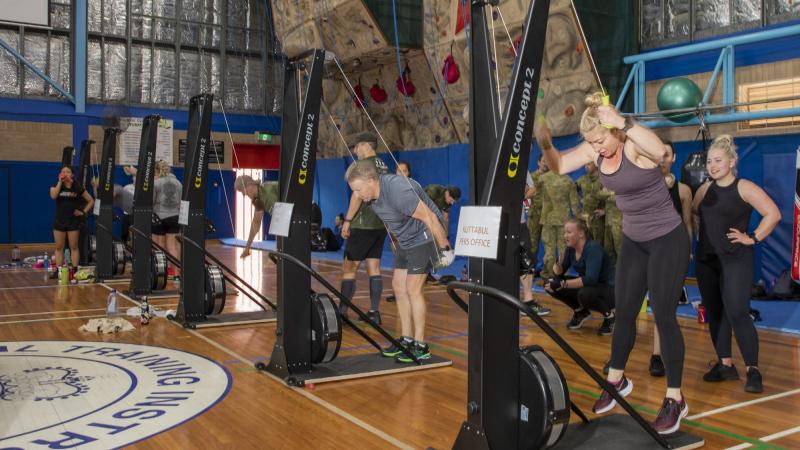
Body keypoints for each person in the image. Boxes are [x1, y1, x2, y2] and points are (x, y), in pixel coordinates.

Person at [536, 92, 690, 435]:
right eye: (591, 142)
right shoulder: (597, 146)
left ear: (614, 130)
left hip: (668, 239)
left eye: (600, 139)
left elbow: (662, 152)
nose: (597, 147)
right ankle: (616, 380)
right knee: (624, 309)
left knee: (663, 315)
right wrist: (546, 143)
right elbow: (560, 164)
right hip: (635, 241)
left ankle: (675, 398)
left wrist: (623, 122)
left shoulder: (632, 143)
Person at [693, 135, 780, 394]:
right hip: (707, 261)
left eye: (718, 160)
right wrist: (700, 235)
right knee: (715, 313)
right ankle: (725, 365)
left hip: (736, 260)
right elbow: (695, 213)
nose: (712, 165)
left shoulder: (744, 187)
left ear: (732, 161)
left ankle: (753, 370)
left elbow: (773, 214)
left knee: (737, 312)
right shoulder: (704, 190)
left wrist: (752, 238)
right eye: (709, 161)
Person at [345, 161, 452, 362]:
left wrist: (445, 247)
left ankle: (420, 345)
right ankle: (406, 339)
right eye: (354, 191)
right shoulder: (371, 196)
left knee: (413, 288)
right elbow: (391, 218)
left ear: (371, 181)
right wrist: (396, 239)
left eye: (358, 189)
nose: (357, 195)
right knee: (398, 286)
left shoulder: (397, 190)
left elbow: (429, 217)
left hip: (425, 235)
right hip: (406, 240)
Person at [649, 140, 694, 377]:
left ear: (674, 158)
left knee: (667, 307)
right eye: (660, 155)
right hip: (651, 252)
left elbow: (687, 223)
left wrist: (687, 250)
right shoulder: (645, 186)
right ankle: (655, 355)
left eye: (667, 155)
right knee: (656, 305)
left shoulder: (684, 191)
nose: (663, 159)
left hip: (674, 253)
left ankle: (662, 354)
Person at [340, 132, 389, 324]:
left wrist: (347, 220)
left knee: (349, 268)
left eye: (357, 146)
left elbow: (357, 195)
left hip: (362, 224)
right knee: (374, 267)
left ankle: (342, 312)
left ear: (367, 145)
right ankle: (374, 312)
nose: (354, 150)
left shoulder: (362, 165)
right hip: (379, 224)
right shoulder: (383, 165)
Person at [544, 219, 615, 335]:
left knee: (584, 294)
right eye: (564, 232)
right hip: (592, 287)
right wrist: (557, 267)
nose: (565, 235)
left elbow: (590, 279)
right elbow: (559, 275)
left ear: (581, 234)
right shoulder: (570, 249)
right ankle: (580, 311)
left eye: (569, 232)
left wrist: (562, 284)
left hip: (610, 290)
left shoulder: (593, 248)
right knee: (549, 284)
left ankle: (610, 316)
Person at [538, 164, 579, 279]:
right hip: (564, 222)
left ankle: (547, 277)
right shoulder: (569, 181)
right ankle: (562, 277)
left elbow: (536, 197)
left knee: (549, 251)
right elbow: (575, 205)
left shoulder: (543, 178)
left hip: (547, 220)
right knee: (563, 252)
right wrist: (579, 218)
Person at [50, 166, 94, 270]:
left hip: (73, 221)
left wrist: (83, 212)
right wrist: (60, 182)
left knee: (73, 246)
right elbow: (53, 196)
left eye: (68, 171)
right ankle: (59, 271)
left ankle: (74, 270)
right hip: (59, 220)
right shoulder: (55, 185)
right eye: (63, 171)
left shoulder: (77, 187)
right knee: (59, 247)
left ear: (72, 175)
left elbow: (91, 201)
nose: (65, 173)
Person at [520, 171, 551, 316]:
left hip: (519, 223)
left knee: (527, 260)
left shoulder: (521, 168)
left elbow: (532, 189)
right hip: (497, 222)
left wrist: (520, 196)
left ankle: (528, 301)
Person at [152, 160, 183, 280]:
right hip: (175, 217)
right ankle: (176, 275)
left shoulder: (156, 183)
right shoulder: (179, 183)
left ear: (157, 170)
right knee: (173, 247)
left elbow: (152, 201)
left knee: (158, 246)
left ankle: (160, 273)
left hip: (160, 217)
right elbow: (180, 202)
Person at [235, 175, 279, 258]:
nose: (244, 194)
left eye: (242, 190)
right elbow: (256, 223)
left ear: (249, 185)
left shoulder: (269, 187)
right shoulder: (257, 201)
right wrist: (247, 248)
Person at [527, 155, 547, 277]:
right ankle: (530, 270)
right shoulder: (531, 177)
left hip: (549, 216)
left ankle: (547, 272)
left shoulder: (553, 178)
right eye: (544, 161)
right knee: (532, 244)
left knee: (548, 244)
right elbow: (524, 195)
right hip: (534, 215)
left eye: (548, 161)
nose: (546, 164)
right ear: (538, 162)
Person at [576, 162, 605, 246]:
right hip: (585, 219)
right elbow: (572, 191)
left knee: (598, 245)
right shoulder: (582, 179)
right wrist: (579, 200)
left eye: (588, 164)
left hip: (598, 219)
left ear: (596, 164)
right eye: (585, 165)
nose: (586, 167)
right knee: (583, 244)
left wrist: (604, 210)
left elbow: (613, 196)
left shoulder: (604, 180)